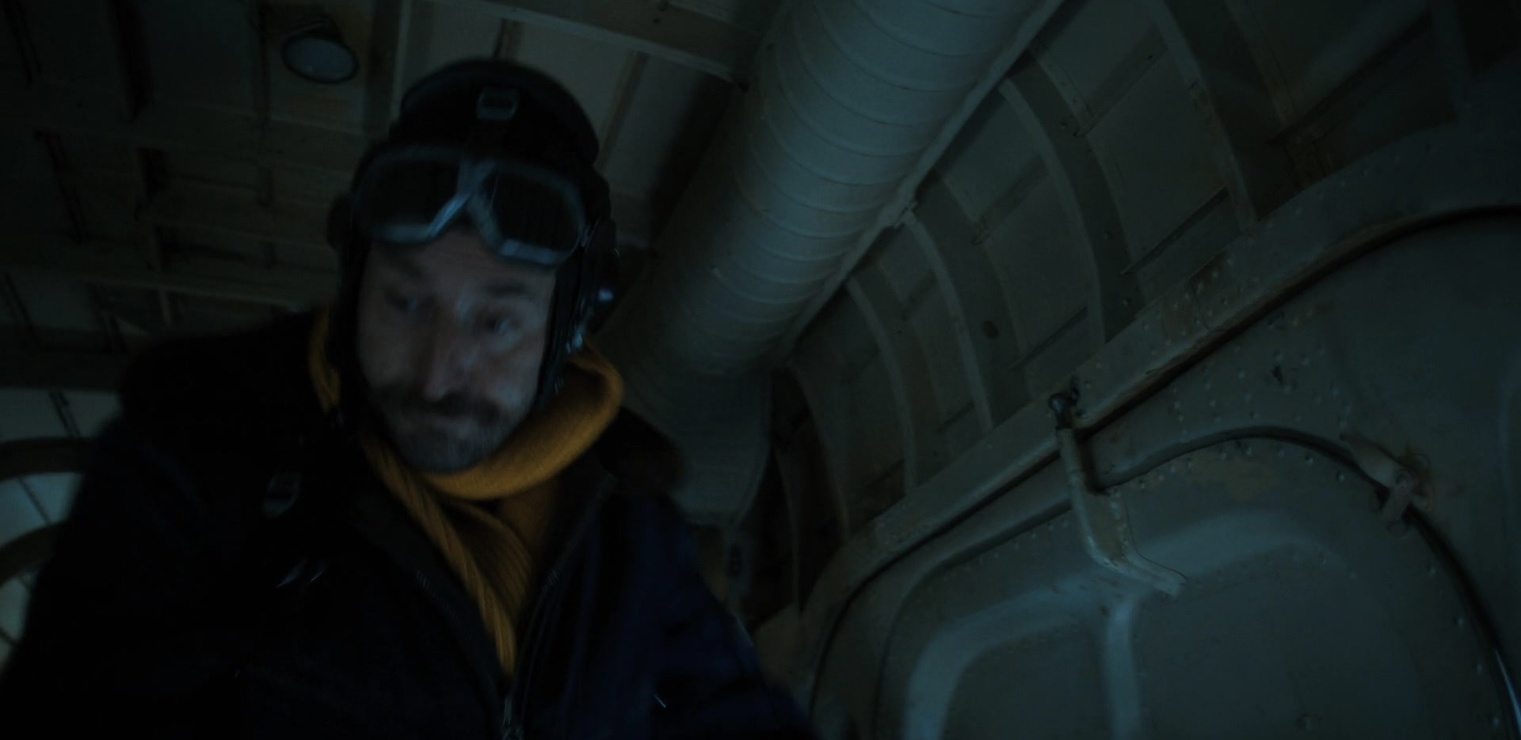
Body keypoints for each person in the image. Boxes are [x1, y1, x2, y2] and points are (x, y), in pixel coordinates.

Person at [0, 59, 816, 739]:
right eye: (405, 302)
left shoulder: (631, 527)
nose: (437, 375)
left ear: (568, 331)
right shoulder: (195, 457)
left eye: (497, 321)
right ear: (355, 285)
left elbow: (734, 717)